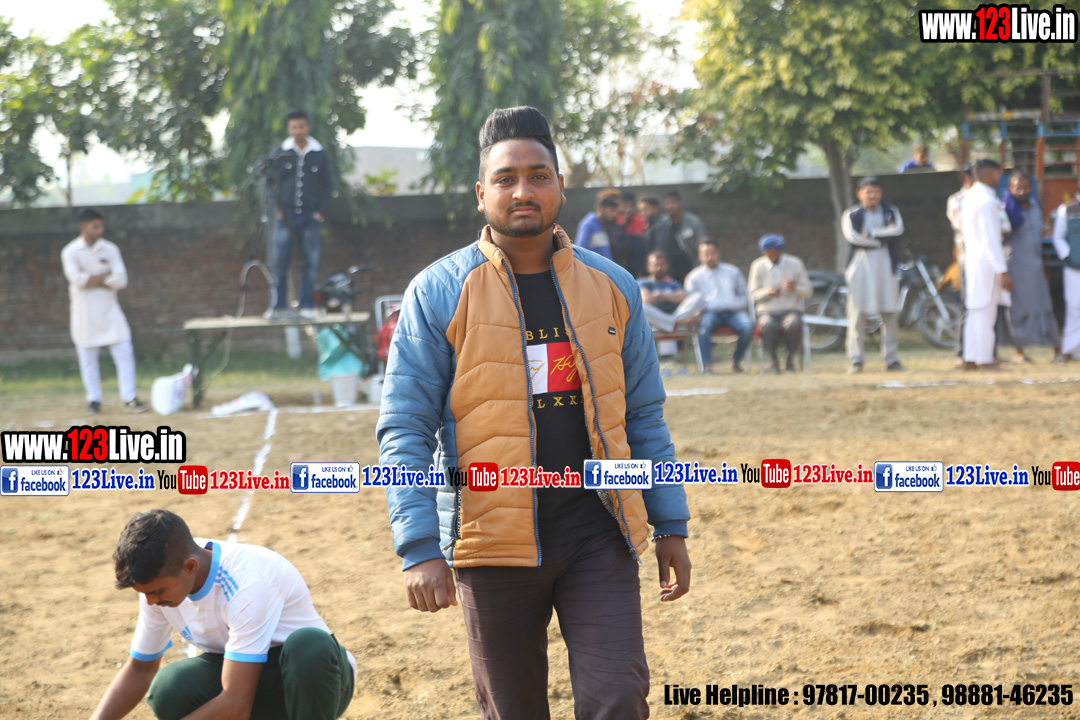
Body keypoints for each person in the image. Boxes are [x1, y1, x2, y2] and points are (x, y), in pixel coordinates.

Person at [377, 106, 691, 720]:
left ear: (561, 187)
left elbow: (644, 417)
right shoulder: (438, 291)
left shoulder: (614, 286)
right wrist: (417, 545)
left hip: (598, 534)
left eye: (538, 176)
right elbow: (405, 428)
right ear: (481, 193)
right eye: (506, 178)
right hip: (490, 543)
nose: (523, 190)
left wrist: (670, 523)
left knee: (619, 697)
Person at [88, 509, 355, 720]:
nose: (150, 601)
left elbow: (236, 703)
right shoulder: (157, 584)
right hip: (245, 678)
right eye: (145, 593)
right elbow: (140, 669)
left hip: (313, 683)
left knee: (308, 646)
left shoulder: (248, 583)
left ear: (190, 566)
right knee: (170, 688)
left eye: (156, 591)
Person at [60, 208, 147, 414]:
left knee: (125, 351)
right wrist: (104, 277)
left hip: (110, 311)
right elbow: (78, 280)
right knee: (88, 360)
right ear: (83, 227)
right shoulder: (70, 251)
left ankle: (130, 397)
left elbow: (121, 280)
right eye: (95, 226)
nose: (100, 230)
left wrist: (92, 279)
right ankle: (94, 399)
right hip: (84, 313)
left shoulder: (110, 249)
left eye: (101, 226)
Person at [270, 109, 333, 319]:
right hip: (285, 216)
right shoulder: (281, 152)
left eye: (301, 126)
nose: (298, 131)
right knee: (280, 262)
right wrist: (278, 208)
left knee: (310, 262)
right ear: (289, 129)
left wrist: (320, 211)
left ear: (308, 127)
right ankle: (278, 307)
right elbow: (272, 182)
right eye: (294, 127)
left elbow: (328, 184)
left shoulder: (318, 153)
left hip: (310, 216)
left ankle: (307, 305)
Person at [842, 177, 906, 373]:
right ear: (859, 193)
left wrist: (870, 233)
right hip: (860, 264)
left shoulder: (890, 211)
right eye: (868, 192)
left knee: (890, 312)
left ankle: (891, 359)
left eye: (876, 192)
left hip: (886, 264)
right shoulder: (851, 214)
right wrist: (879, 241)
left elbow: (898, 231)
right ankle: (856, 359)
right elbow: (853, 237)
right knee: (857, 314)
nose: (873, 196)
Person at [998, 171, 1061, 361]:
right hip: (1016, 268)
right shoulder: (1005, 210)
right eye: (1018, 188)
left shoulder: (1035, 206)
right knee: (1018, 311)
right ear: (1010, 188)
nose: (1022, 191)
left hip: (1036, 267)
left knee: (1045, 306)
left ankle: (1057, 350)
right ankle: (1019, 352)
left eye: (1026, 187)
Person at [962, 159, 1012, 369]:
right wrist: (1002, 271)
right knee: (985, 312)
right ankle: (984, 359)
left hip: (974, 260)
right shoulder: (986, 201)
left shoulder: (970, 196)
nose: (1000, 178)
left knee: (976, 310)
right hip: (986, 263)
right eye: (998, 174)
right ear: (990, 174)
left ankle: (970, 357)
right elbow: (991, 240)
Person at [684, 239, 753, 373]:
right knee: (705, 327)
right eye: (706, 254)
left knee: (747, 326)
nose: (710, 257)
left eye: (713, 253)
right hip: (709, 313)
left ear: (718, 253)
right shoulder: (694, 277)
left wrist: (732, 303)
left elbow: (745, 295)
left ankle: (736, 360)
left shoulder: (733, 271)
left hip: (733, 312)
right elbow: (690, 301)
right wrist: (699, 310)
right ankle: (707, 365)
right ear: (700, 256)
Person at [747, 234, 813, 373]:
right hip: (767, 312)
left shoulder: (795, 263)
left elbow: (808, 292)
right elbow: (751, 295)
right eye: (769, 254)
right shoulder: (757, 266)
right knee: (767, 325)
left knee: (794, 324)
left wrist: (794, 288)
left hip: (791, 310)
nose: (773, 257)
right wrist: (766, 293)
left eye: (776, 254)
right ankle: (774, 360)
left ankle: (790, 359)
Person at [645, 190, 706, 284]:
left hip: (689, 260)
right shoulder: (663, 223)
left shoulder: (693, 222)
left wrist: (699, 264)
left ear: (680, 203)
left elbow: (702, 244)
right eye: (667, 203)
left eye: (673, 202)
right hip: (670, 263)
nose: (670, 206)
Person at [638, 250, 704, 333]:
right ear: (649, 267)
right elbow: (647, 300)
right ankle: (677, 323)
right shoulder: (643, 282)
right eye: (655, 265)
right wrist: (672, 297)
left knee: (699, 296)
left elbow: (683, 297)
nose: (659, 268)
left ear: (667, 266)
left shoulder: (673, 283)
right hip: (656, 316)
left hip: (675, 313)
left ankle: (670, 323)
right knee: (642, 308)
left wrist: (660, 295)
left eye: (662, 265)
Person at [1051, 184, 1080, 361]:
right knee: (1074, 307)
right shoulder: (1067, 210)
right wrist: (1070, 256)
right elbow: (1058, 237)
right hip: (1074, 269)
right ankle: (1069, 349)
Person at [574, 192, 620, 260]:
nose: (614, 215)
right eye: (611, 211)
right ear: (601, 209)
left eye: (616, 211)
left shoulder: (605, 225)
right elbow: (579, 251)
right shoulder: (589, 224)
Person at [617, 190, 648, 277]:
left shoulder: (640, 220)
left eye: (631, 206)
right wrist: (625, 222)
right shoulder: (616, 221)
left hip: (638, 268)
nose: (629, 209)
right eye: (626, 206)